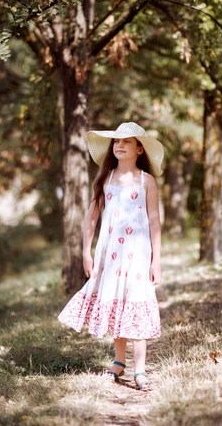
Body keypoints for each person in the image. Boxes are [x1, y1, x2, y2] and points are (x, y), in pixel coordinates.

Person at [58, 122, 163, 391]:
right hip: (111, 255)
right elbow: (91, 217)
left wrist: (156, 260)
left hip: (138, 255)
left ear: (140, 149)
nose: (119, 145)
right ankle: (119, 362)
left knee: (136, 301)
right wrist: (85, 252)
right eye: (116, 141)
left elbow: (154, 222)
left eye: (127, 141)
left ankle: (140, 370)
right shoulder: (105, 180)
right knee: (118, 302)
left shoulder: (146, 181)